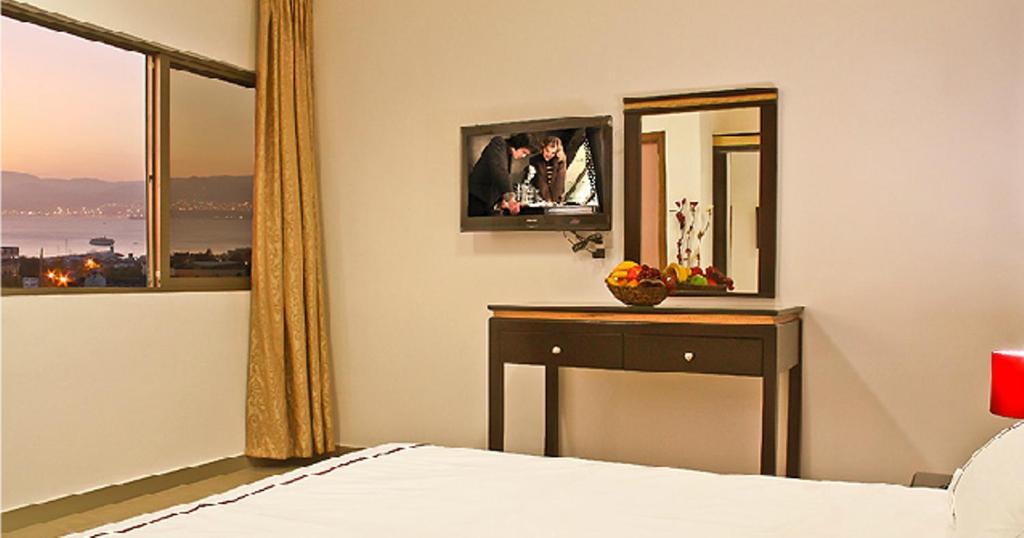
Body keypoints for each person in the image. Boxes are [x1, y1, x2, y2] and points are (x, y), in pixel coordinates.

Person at [467, 133, 537, 217]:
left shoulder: (508, 154)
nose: (523, 156)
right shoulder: (498, 143)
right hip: (477, 198)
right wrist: (510, 199)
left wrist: (502, 201)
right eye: (524, 152)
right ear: (518, 144)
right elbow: (499, 171)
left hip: (487, 201)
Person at [529, 136, 567, 203]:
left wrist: (554, 201)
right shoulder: (535, 160)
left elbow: (559, 183)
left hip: (556, 199)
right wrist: (547, 200)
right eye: (547, 150)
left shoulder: (560, 161)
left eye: (553, 153)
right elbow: (540, 182)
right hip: (539, 198)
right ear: (543, 148)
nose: (549, 155)